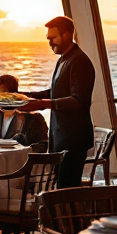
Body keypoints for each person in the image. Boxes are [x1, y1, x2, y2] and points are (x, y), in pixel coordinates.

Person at [20, 16, 95, 188]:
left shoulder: (80, 61)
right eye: (48, 38)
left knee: (67, 189)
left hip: (73, 139)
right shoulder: (64, 59)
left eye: (53, 38)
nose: (49, 42)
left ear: (67, 35)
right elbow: (55, 92)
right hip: (60, 137)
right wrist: (25, 96)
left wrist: (43, 104)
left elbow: (79, 101)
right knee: (61, 188)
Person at [0, 74, 48, 146]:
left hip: (21, 152)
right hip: (0, 151)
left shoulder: (34, 118)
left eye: (2, 95)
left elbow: (42, 145)